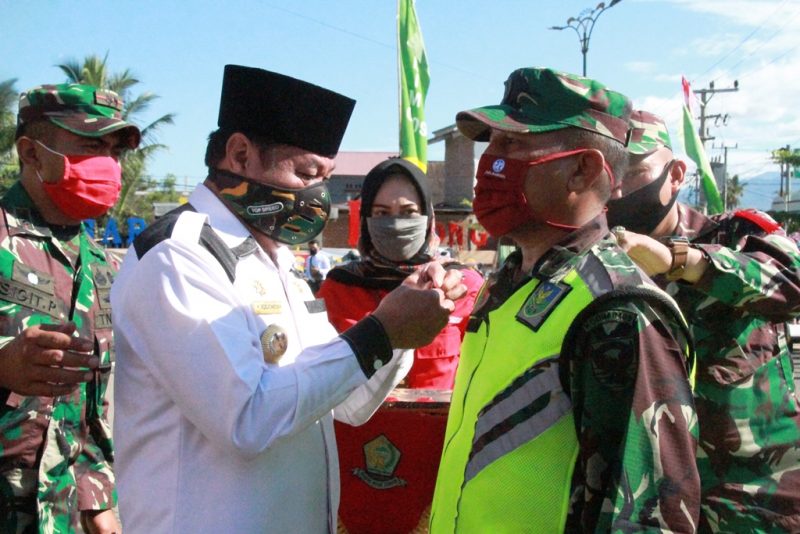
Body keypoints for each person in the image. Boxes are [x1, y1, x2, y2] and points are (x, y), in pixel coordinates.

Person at [111, 65, 466, 533]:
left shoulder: (276, 262)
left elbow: (350, 404)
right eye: (306, 173)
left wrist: (400, 332)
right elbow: (247, 419)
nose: (319, 195)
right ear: (239, 154)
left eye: (327, 177)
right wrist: (380, 332)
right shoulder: (179, 256)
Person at [429, 67, 701, 533]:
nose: (490, 161)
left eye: (512, 144)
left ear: (583, 169)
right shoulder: (510, 280)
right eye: (490, 142)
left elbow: (651, 518)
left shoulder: (618, 309)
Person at [607, 110, 800, 532]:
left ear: (675, 175)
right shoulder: (601, 258)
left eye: (635, 170)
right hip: (649, 505)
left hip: (752, 500)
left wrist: (683, 261)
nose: (618, 188)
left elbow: (792, 284)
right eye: (611, 173)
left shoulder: (733, 237)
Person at [0, 83, 140, 533]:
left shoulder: (102, 265)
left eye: (115, 151)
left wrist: (99, 504)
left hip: (60, 515)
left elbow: (88, 412)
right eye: (90, 146)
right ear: (32, 153)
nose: (109, 165)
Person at [318, 158, 483, 389]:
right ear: (366, 220)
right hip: (357, 424)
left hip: (437, 424)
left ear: (428, 217)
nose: (395, 224)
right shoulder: (337, 289)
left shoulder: (460, 285)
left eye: (409, 212)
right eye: (382, 213)